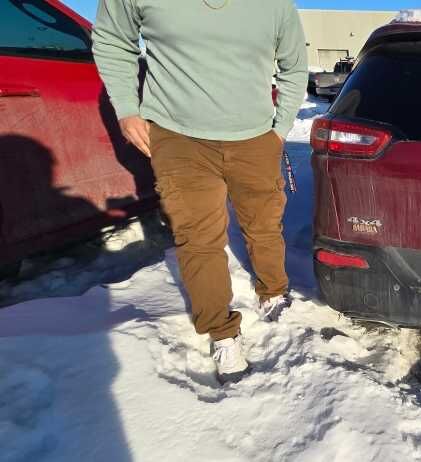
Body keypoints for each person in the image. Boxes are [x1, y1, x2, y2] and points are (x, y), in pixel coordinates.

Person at [92, 0, 308, 383]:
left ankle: (273, 289)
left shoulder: (276, 5)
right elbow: (112, 40)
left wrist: (281, 128)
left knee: (263, 224)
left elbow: (294, 67)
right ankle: (222, 331)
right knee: (198, 239)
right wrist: (126, 107)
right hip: (179, 140)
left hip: (256, 137)